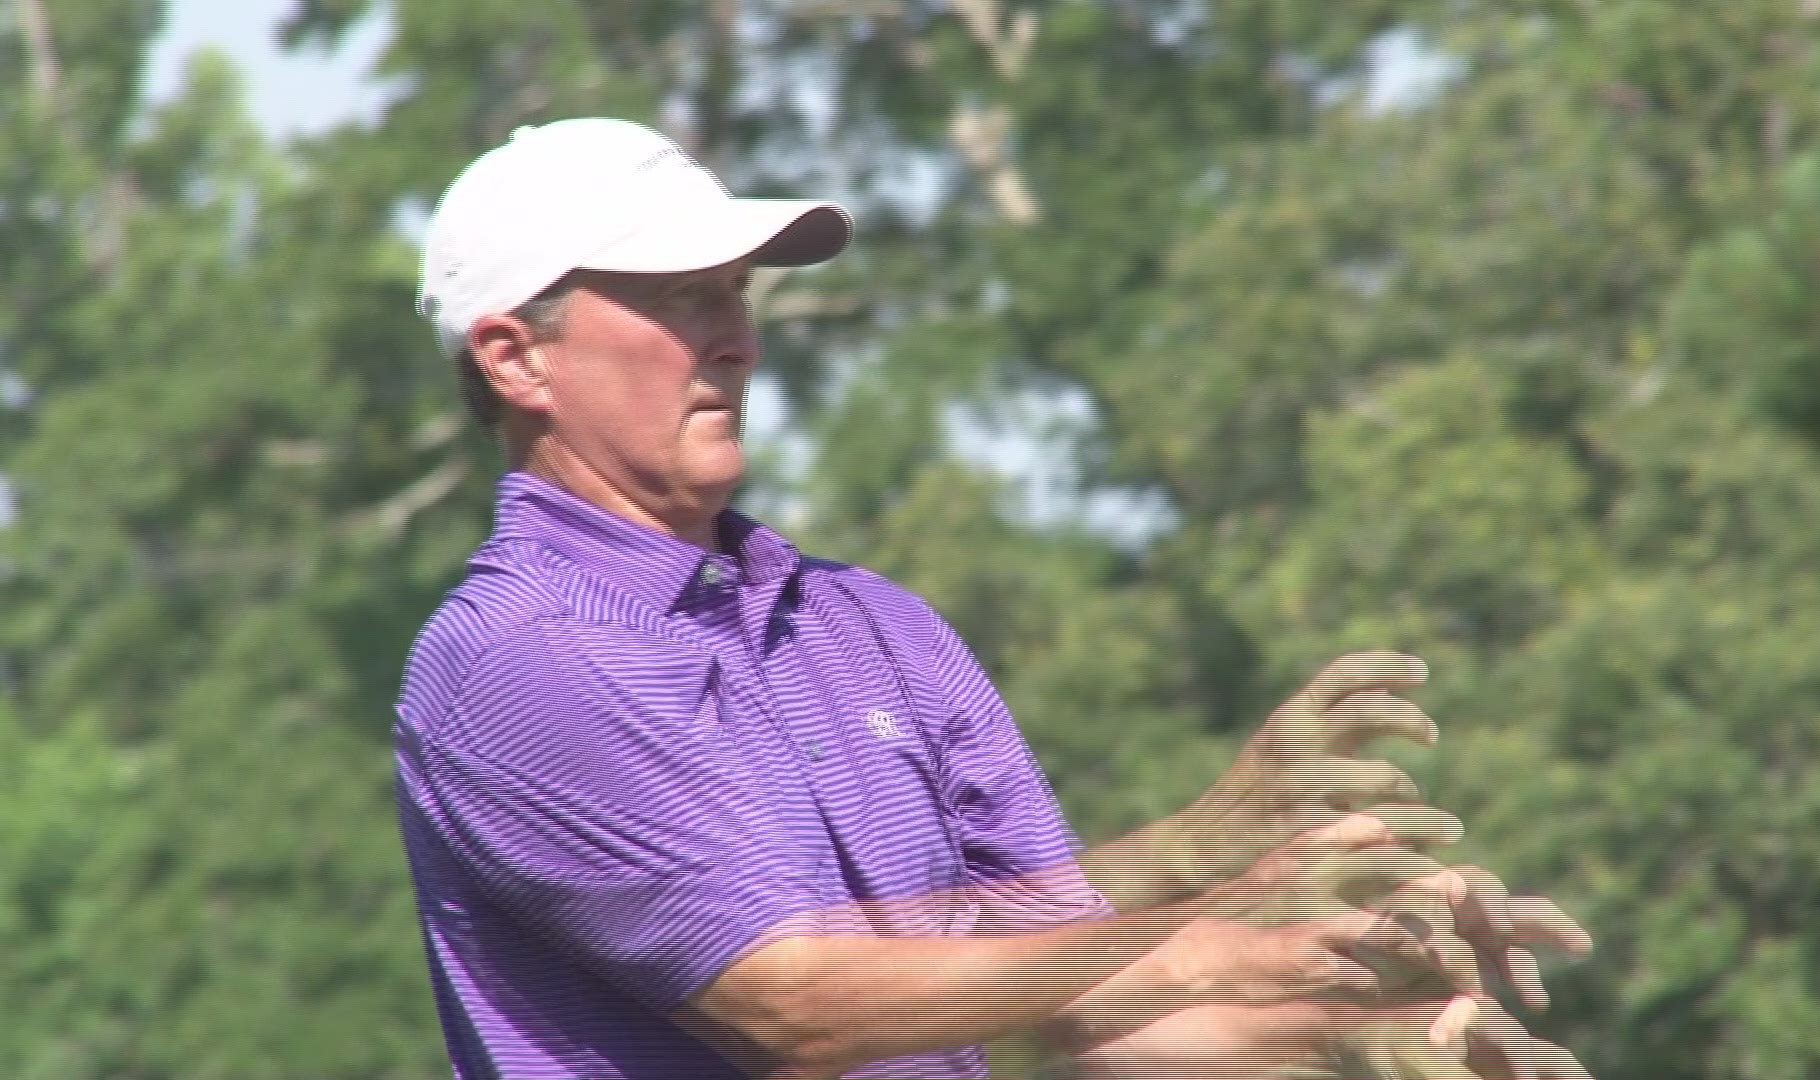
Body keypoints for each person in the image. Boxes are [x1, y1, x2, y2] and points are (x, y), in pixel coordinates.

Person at [395, 117, 1592, 1080]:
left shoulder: (873, 626)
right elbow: (800, 1012)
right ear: (515, 357)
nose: (735, 341)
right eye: (676, 300)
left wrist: (1346, 1019)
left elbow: (1082, 998)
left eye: (736, 295)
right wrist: (1207, 855)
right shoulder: (518, 662)